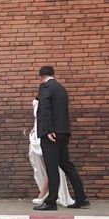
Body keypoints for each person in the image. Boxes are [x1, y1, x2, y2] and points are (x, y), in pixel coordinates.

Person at [33, 66, 89, 211]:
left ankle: (51, 202)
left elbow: (44, 109)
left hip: (52, 134)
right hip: (64, 132)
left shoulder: (45, 86)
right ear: (53, 74)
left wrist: (48, 130)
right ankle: (82, 198)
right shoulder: (61, 89)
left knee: (52, 168)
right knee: (67, 165)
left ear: (41, 76)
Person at [29, 98, 74, 207]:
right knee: (42, 165)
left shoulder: (52, 103)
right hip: (38, 135)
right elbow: (38, 119)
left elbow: (50, 118)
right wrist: (34, 128)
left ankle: (44, 193)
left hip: (47, 135)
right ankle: (47, 192)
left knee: (53, 165)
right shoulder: (35, 102)